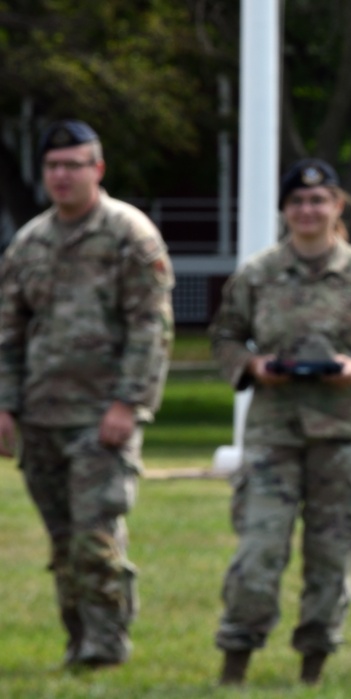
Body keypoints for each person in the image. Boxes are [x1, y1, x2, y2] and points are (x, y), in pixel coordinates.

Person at [210, 157, 351, 686]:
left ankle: (313, 671)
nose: (308, 209)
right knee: (258, 553)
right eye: (298, 201)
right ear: (285, 210)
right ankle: (235, 662)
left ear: (337, 206)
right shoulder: (256, 275)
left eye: (319, 200)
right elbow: (225, 336)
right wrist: (254, 367)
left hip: (345, 434)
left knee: (331, 559)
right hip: (273, 433)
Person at [0, 119, 175, 668]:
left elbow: (152, 327)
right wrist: (4, 406)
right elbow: (8, 333)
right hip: (42, 414)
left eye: (74, 165)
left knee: (94, 537)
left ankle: (105, 647)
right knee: (61, 542)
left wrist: (129, 403)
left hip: (102, 416)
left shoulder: (129, 234)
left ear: (96, 169)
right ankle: (77, 641)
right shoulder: (29, 242)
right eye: (54, 166)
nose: (62, 175)